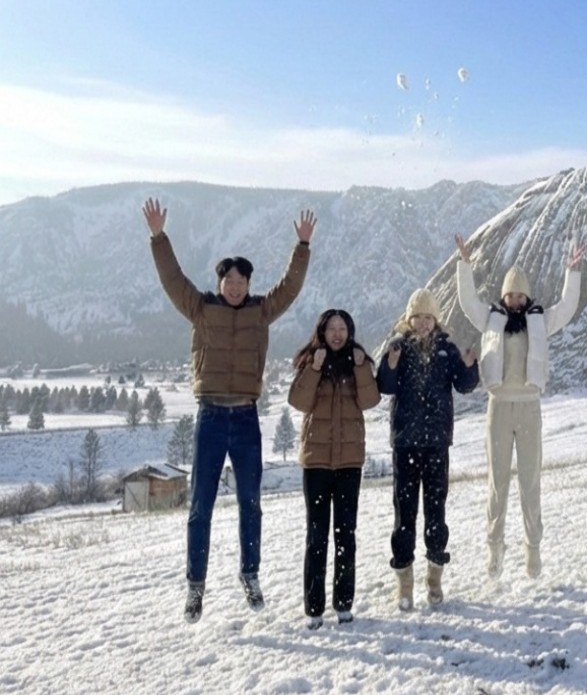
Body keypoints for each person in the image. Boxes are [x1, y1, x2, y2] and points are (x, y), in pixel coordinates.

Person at [141, 197, 315, 623]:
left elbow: (289, 288)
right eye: (229, 280)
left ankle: (250, 575)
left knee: (250, 503)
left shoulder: (261, 311)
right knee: (200, 504)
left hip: (246, 417)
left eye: (242, 280)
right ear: (220, 283)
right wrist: (159, 236)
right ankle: (195, 586)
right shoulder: (200, 308)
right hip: (211, 417)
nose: (235, 286)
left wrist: (303, 247)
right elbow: (172, 279)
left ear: (249, 284)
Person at [454, 234, 583, 580]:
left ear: (527, 297)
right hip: (498, 406)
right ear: (503, 296)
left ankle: (533, 549)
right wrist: (464, 266)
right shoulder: (490, 318)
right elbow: (467, 301)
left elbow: (567, 309)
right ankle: (494, 549)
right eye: (510, 294)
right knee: (498, 482)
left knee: (530, 480)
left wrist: (573, 272)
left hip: (529, 406)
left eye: (520, 294)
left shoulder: (539, 320)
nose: (514, 299)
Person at [376, 288, 479, 610]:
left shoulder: (447, 350)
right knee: (403, 515)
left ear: (436, 320)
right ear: (409, 320)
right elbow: (384, 386)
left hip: (436, 443)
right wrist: (391, 364)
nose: (422, 323)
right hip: (405, 441)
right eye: (417, 317)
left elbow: (464, 386)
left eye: (428, 317)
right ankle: (404, 585)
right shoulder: (397, 347)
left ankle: (434, 579)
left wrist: (469, 366)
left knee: (437, 512)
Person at [288, 309, 380, 630]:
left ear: (350, 331)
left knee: (345, 534)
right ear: (323, 331)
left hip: (349, 463)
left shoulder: (361, 363)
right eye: (332, 328)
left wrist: (359, 369)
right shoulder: (310, 361)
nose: (338, 333)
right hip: (316, 463)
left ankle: (343, 604)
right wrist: (314, 368)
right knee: (316, 537)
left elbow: (370, 401)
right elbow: (298, 402)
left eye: (343, 328)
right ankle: (314, 609)